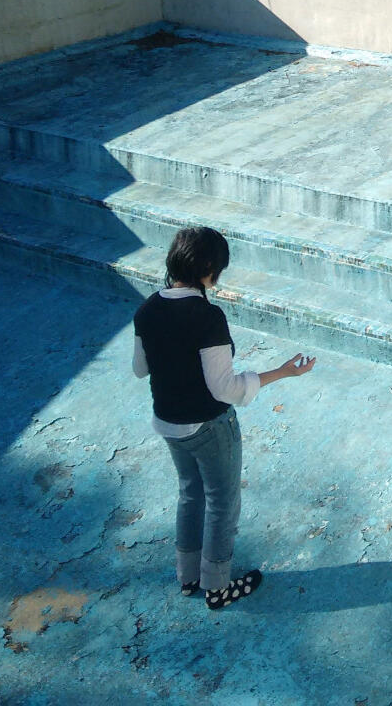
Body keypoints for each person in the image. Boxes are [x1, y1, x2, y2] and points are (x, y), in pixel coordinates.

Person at [133, 226, 316, 610]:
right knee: (222, 502)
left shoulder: (147, 309)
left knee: (190, 494)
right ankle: (217, 587)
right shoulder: (207, 316)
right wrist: (283, 372)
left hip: (168, 423)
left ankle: (188, 577)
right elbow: (225, 389)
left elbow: (140, 369)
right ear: (209, 268)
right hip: (209, 427)